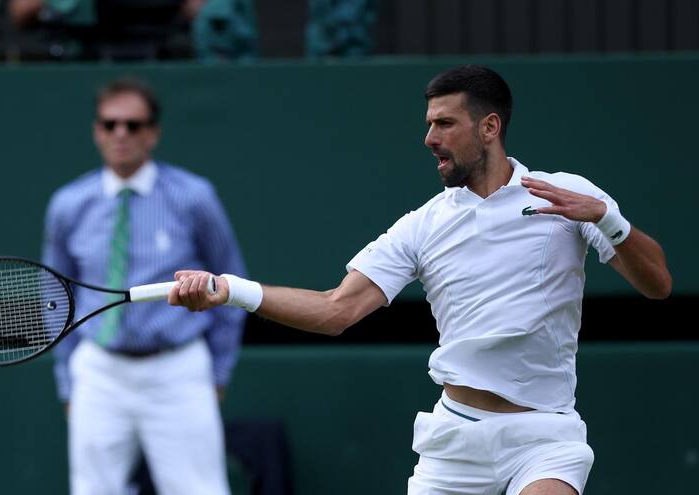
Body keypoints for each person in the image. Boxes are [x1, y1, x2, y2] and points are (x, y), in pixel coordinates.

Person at [168, 65, 672, 495]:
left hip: (545, 436)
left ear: (490, 127)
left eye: (445, 123)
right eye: (429, 123)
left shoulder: (568, 196)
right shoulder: (421, 225)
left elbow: (658, 285)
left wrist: (608, 218)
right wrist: (229, 289)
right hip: (455, 440)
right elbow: (334, 309)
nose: (429, 138)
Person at [42, 76, 248, 495]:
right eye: (110, 124)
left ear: (153, 133)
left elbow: (229, 284)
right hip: (99, 370)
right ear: (97, 131)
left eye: (133, 125)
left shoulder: (194, 197)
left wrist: (218, 374)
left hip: (178, 368)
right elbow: (53, 297)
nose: (121, 134)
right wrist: (68, 381)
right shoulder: (68, 205)